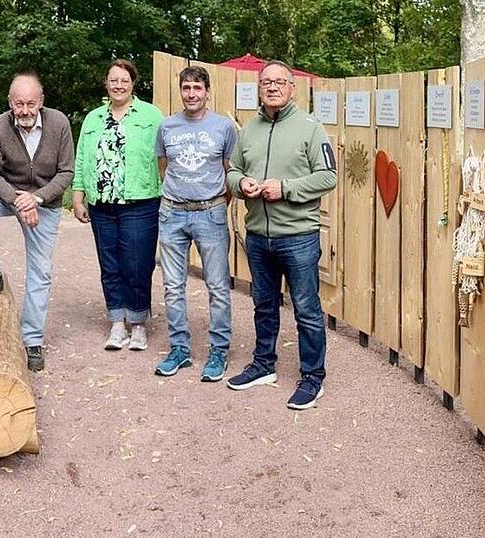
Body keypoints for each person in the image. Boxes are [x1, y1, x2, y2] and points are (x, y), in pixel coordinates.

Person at [225, 60, 337, 410]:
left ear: (292, 88)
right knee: (263, 304)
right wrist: (240, 184)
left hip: (298, 235)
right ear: (260, 89)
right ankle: (263, 365)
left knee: (306, 308)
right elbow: (232, 170)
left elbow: (328, 176)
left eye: (278, 82)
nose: (272, 87)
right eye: (265, 83)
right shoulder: (249, 130)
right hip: (258, 235)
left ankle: (312, 377)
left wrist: (285, 188)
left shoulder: (310, 128)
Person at [0, 72, 74, 372]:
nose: (24, 111)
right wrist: (17, 199)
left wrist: (36, 198)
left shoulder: (59, 123)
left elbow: (66, 173)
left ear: (41, 102)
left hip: (44, 202)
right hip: (10, 195)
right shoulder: (0, 125)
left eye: (30, 104)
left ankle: (32, 340)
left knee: (40, 273)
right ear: (10, 103)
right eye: (18, 104)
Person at [72, 59, 163, 352]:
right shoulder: (93, 119)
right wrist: (78, 194)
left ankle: (137, 324)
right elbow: (83, 157)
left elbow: (164, 156)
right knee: (109, 265)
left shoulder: (151, 115)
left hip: (140, 202)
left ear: (133, 83)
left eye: (124, 80)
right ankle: (116, 322)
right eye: (113, 80)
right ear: (106, 83)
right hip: (102, 204)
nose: (118, 85)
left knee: (137, 264)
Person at [152, 65, 236, 382]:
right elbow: (164, 168)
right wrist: (179, 196)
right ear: (181, 91)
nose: (191, 94)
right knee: (173, 286)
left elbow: (229, 170)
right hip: (172, 212)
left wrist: (213, 202)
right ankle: (179, 349)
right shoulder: (167, 127)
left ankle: (218, 351)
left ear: (207, 92)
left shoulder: (224, 128)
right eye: (186, 88)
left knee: (217, 286)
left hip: (211, 213)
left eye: (197, 88)